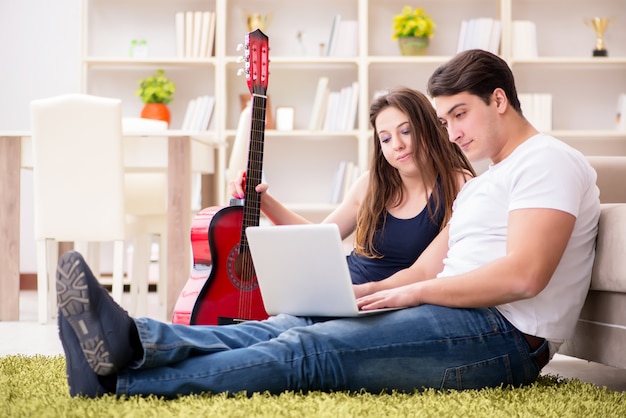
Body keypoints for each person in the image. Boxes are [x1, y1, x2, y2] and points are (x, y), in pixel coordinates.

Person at [56, 49, 600, 399]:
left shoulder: (548, 161)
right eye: (445, 120)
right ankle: (130, 337)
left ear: (498, 99)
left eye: (459, 114)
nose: (452, 132)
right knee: (287, 325)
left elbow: (526, 275)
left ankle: (119, 381)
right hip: (452, 309)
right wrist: (374, 291)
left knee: (313, 352)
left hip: (503, 336)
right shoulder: (485, 181)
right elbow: (431, 264)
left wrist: (415, 296)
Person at [229, 87, 474, 284]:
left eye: (406, 131)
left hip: (381, 302)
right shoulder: (371, 184)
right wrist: (265, 202)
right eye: (386, 139)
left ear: (430, 129)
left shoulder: (459, 185)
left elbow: (425, 273)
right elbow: (317, 241)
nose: (397, 144)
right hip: (342, 289)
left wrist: (363, 295)